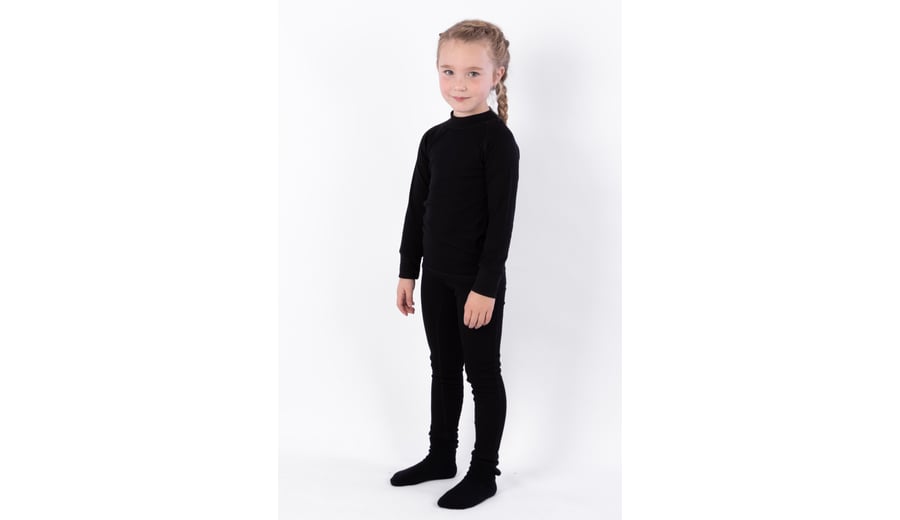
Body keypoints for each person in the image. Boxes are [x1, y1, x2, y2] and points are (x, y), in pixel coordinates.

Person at [390, 19, 520, 510]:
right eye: (448, 71)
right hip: (436, 279)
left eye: (472, 73)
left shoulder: (498, 142)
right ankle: (441, 455)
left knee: (482, 374)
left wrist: (485, 286)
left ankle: (483, 471)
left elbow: (501, 223)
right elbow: (416, 209)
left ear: (497, 75)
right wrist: (408, 270)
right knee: (442, 369)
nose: (458, 84)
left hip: (476, 284)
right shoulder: (434, 139)